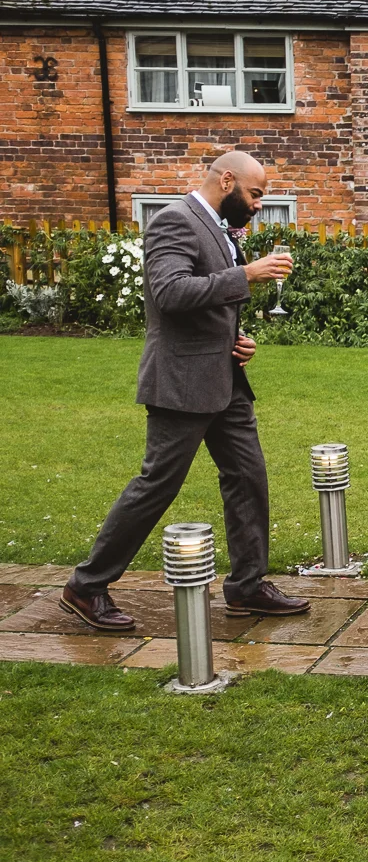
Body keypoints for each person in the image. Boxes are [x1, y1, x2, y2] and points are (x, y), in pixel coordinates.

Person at [61, 152, 308, 630]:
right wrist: (248, 274)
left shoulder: (216, 226)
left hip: (226, 381)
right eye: (256, 195)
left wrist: (237, 339)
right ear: (228, 180)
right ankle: (85, 587)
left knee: (248, 477)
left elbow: (207, 299)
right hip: (182, 383)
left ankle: (247, 586)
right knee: (157, 485)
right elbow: (170, 293)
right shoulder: (176, 220)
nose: (259, 205)